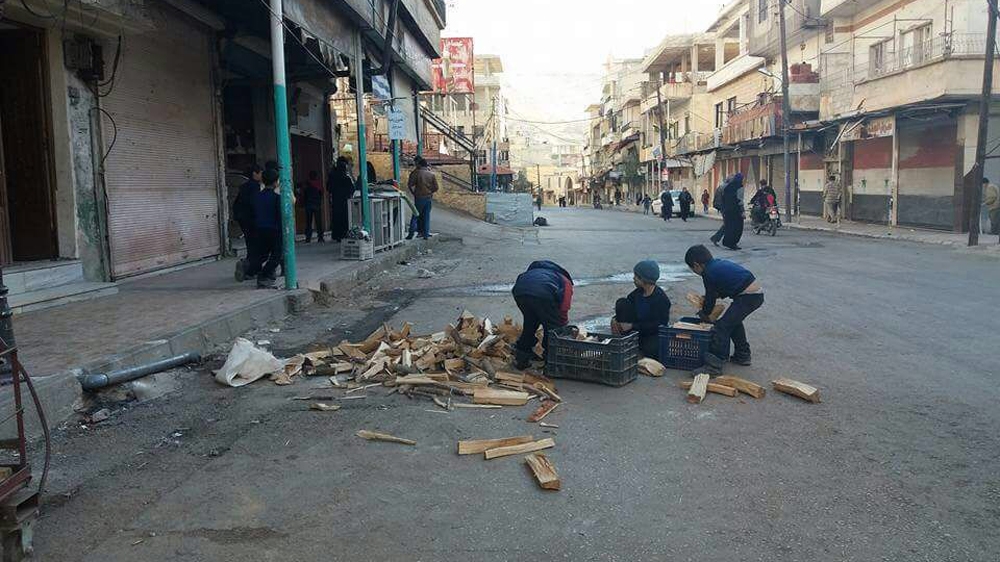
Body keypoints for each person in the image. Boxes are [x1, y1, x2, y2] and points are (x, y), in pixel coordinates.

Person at [685, 245, 764, 375]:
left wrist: (704, 313)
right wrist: (711, 298)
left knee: (722, 326)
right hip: (753, 294)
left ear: (697, 265)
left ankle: (714, 366)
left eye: (692, 269)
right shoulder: (716, 265)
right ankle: (742, 355)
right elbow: (723, 288)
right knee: (733, 322)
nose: (694, 271)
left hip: (748, 297)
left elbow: (711, 298)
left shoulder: (708, 273)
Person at [511, 261, 574, 369]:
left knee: (530, 324)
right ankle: (551, 362)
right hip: (543, 294)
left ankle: (522, 358)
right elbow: (564, 307)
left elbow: (520, 282)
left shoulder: (533, 272)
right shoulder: (565, 281)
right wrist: (562, 326)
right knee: (552, 329)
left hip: (519, 292)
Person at [611, 260, 672, 359]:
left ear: (643, 279)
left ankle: (635, 349)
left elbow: (660, 325)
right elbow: (627, 308)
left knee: (652, 349)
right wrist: (615, 320)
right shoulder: (637, 294)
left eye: (636, 276)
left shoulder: (661, 299)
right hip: (635, 331)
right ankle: (624, 341)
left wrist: (632, 326)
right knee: (622, 302)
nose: (633, 278)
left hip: (651, 334)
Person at [246, 169, 284, 288]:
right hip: (274, 229)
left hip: (259, 229)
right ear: (275, 182)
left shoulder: (256, 196)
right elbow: (279, 216)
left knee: (262, 255)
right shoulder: (277, 198)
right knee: (276, 255)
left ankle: (248, 269)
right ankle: (263, 275)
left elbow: (252, 213)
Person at [233, 164, 263, 282]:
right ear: (254, 174)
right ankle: (250, 269)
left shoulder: (244, 187)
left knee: (251, 245)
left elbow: (236, 204)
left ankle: (249, 267)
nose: (261, 175)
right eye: (260, 173)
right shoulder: (256, 187)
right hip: (252, 220)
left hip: (244, 220)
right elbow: (255, 205)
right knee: (256, 246)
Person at [407, 156, 439, 239]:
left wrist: (413, 193)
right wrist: (430, 192)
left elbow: (410, 185)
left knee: (415, 215)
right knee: (426, 216)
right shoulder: (431, 174)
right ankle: (425, 234)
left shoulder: (416, 173)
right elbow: (436, 187)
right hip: (428, 197)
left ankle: (411, 234)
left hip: (419, 197)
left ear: (420, 165)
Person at [710, 173, 744, 250]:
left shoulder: (725, 186)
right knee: (730, 225)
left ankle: (719, 239)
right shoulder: (726, 187)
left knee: (728, 225)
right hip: (727, 208)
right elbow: (737, 200)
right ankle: (719, 239)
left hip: (725, 208)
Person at [327, 157, 355, 242]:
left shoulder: (332, 175)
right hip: (345, 200)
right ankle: (344, 234)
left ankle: (337, 235)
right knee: (345, 218)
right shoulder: (346, 177)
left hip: (336, 200)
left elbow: (329, 187)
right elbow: (352, 188)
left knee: (336, 217)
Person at [301, 170, 325, 243]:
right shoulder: (318, 184)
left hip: (308, 205)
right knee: (318, 222)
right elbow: (321, 193)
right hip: (317, 204)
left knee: (308, 222)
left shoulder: (306, 184)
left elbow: (304, 194)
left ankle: (308, 238)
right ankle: (320, 237)